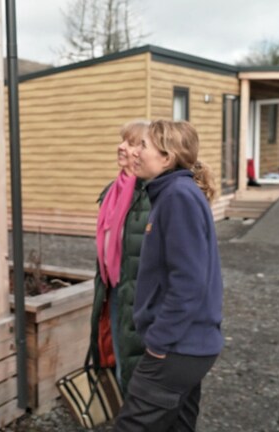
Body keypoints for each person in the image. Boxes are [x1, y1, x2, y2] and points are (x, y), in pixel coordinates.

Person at [115, 120, 223, 431]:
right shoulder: (173, 193)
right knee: (178, 426)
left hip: (178, 348)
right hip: (188, 347)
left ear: (167, 158)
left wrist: (160, 340)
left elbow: (188, 282)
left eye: (143, 146)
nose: (134, 152)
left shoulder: (178, 196)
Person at [88, 119, 151, 396]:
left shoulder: (152, 195)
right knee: (118, 363)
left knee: (141, 375)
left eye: (131, 142)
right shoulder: (112, 191)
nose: (120, 146)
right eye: (122, 140)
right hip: (114, 292)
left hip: (141, 300)